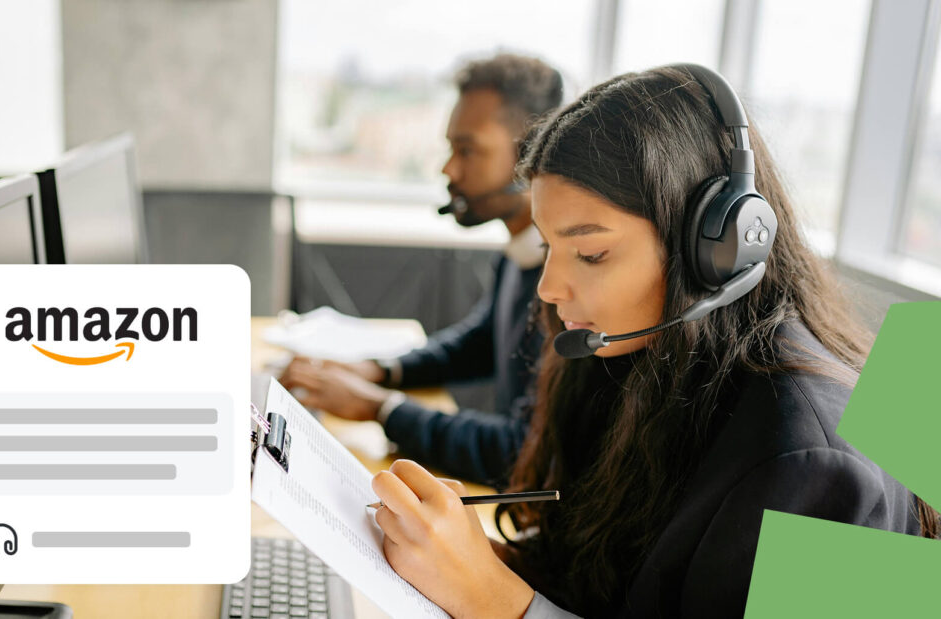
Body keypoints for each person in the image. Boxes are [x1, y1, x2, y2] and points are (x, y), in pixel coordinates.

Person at [366, 65, 938, 619]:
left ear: (715, 251)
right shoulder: (638, 359)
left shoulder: (816, 465)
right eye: (547, 248)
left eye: (590, 253)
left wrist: (494, 601)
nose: (549, 287)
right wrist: (470, 559)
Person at [282, 53, 564, 487]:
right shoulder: (522, 251)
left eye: (467, 150)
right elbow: (480, 342)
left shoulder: (565, 286)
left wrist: (381, 407)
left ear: (531, 156)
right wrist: (380, 371)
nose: (448, 169)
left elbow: (521, 449)